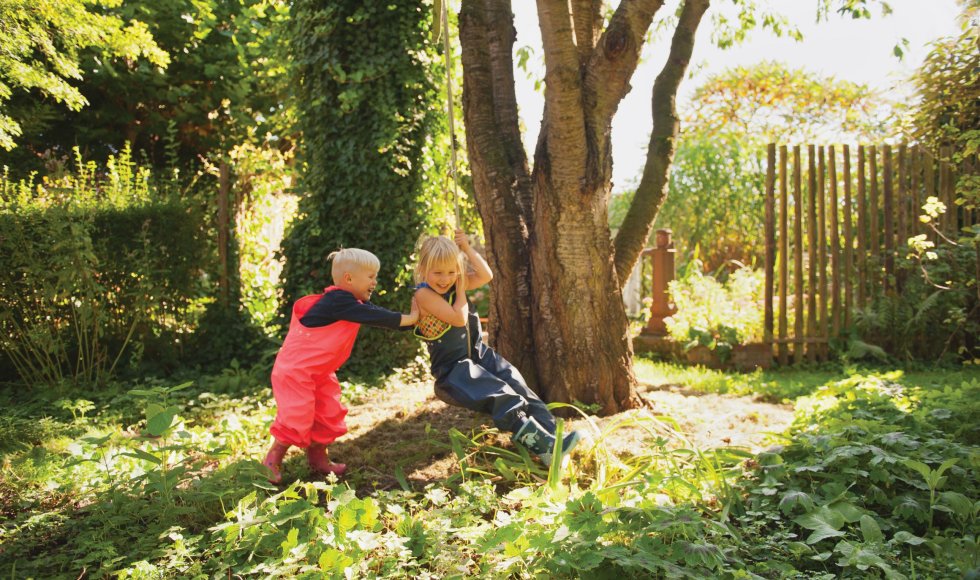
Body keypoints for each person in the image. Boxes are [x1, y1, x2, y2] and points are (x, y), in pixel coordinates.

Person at [412, 229, 580, 466]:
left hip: (480, 355)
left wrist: (467, 249)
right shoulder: (423, 294)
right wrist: (460, 287)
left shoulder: (452, 283)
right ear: (423, 269)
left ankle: (554, 437)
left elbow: (486, 275)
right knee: (502, 395)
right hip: (454, 369)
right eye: (437, 272)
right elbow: (458, 318)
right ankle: (544, 448)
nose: (444, 279)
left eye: (451, 272)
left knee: (517, 384)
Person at [262, 248, 419, 484]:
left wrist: (410, 322)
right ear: (348, 279)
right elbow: (374, 316)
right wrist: (410, 318)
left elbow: (372, 312)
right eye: (370, 277)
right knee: (297, 416)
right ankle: (272, 460)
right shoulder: (338, 300)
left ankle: (318, 459)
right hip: (296, 372)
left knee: (327, 413)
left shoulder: (349, 303)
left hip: (319, 372)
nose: (375, 282)